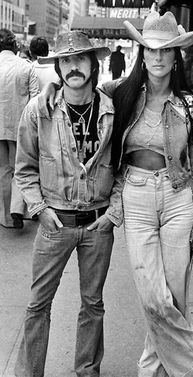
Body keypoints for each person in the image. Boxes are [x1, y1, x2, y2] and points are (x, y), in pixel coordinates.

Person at [38, 11, 193, 377]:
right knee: (154, 298)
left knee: (175, 297)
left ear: (176, 56)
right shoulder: (121, 93)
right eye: (150, 49)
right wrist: (53, 87)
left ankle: (150, 370)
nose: (157, 57)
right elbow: (80, 90)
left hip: (178, 198)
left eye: (165, 51)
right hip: (136, 198)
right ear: (142, 52)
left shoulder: (192, 107)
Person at [14, 30, 116, 377]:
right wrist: (39, 210)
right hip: (54, 223)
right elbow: (24, 168)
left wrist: (112, 214)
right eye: (66, 60)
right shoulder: (38, 111)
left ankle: (86, 371)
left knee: (93, 305)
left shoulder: (111, 110)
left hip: (98, 225)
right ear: (58, 68)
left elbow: (125, 168)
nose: (73, 66)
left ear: (93, 63)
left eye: (80, 59)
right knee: (38, 304)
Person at [0, 29, 39, 229]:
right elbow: (35, 100)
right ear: (15, 46)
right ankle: (18, 209)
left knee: (3, 171)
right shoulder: (26, 67)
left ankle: (5, 216)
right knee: (19, 170)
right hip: (19, 127)